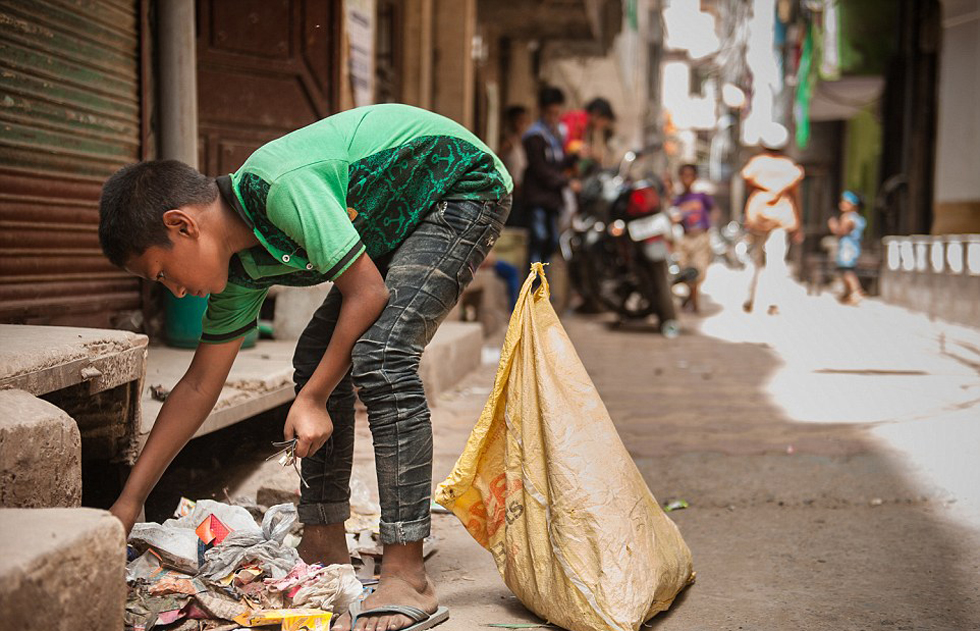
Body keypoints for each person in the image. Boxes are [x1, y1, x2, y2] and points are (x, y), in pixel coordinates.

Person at [98, 104, 512, 631]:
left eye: (163, 273)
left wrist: (313, 398)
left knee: (382, 355)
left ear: (181, 225)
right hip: (395, 218)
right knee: (318, 357)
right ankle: (324, 539)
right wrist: (128, 503)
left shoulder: (280, 186)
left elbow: (367, 292)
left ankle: (407, 571)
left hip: (460, 184)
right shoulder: (241, 270)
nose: (175, 291)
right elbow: (199, 386)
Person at [739, 124, 804, 315]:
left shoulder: (756, 164)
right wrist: (798, 223)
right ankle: (773, 302)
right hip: (781, 217)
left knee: (754, 259)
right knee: (777, 260)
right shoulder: (789, 167)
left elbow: (748, 185)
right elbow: (796, 196)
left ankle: (749, 298)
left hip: (757, 216)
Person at [522, 86, 580, 264]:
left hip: (552, 199)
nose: (554, 117)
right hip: (538, 198)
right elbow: (541, 169)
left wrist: (575, 158)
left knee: (552, 241)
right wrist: (567, 182)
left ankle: (542, 287)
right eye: (551, 113)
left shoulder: (554, 135)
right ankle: (533, 286)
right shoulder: (535, 135)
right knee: (539, 238)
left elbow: (557, 164)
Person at [670, 163, 714, 313]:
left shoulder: (701, 196)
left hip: (700, 237)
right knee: (685, 271)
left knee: (698, 270)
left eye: (689, 176)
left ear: (695, 177)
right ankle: (691, 300)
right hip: (684, 238)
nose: (686, 179)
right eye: (684, 176)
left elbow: (712, 211)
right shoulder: (677, 200)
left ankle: (694, 303)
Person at [828, 190, 867, 305]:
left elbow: (841, 231)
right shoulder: (858, 218)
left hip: (847, 248)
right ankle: (847, 293)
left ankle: (856, 292)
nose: (842, 204)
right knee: (845, 270)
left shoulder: (848, 217)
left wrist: (833, 226)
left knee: (847, 271)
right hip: (852, 247)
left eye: (845, 202)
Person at [561, 97, 616, 170]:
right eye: (603, 121)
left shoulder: (586, 125)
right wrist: (585, 150)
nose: (602, 126)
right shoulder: (577, 119)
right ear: (596, 113)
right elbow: (567, 142)